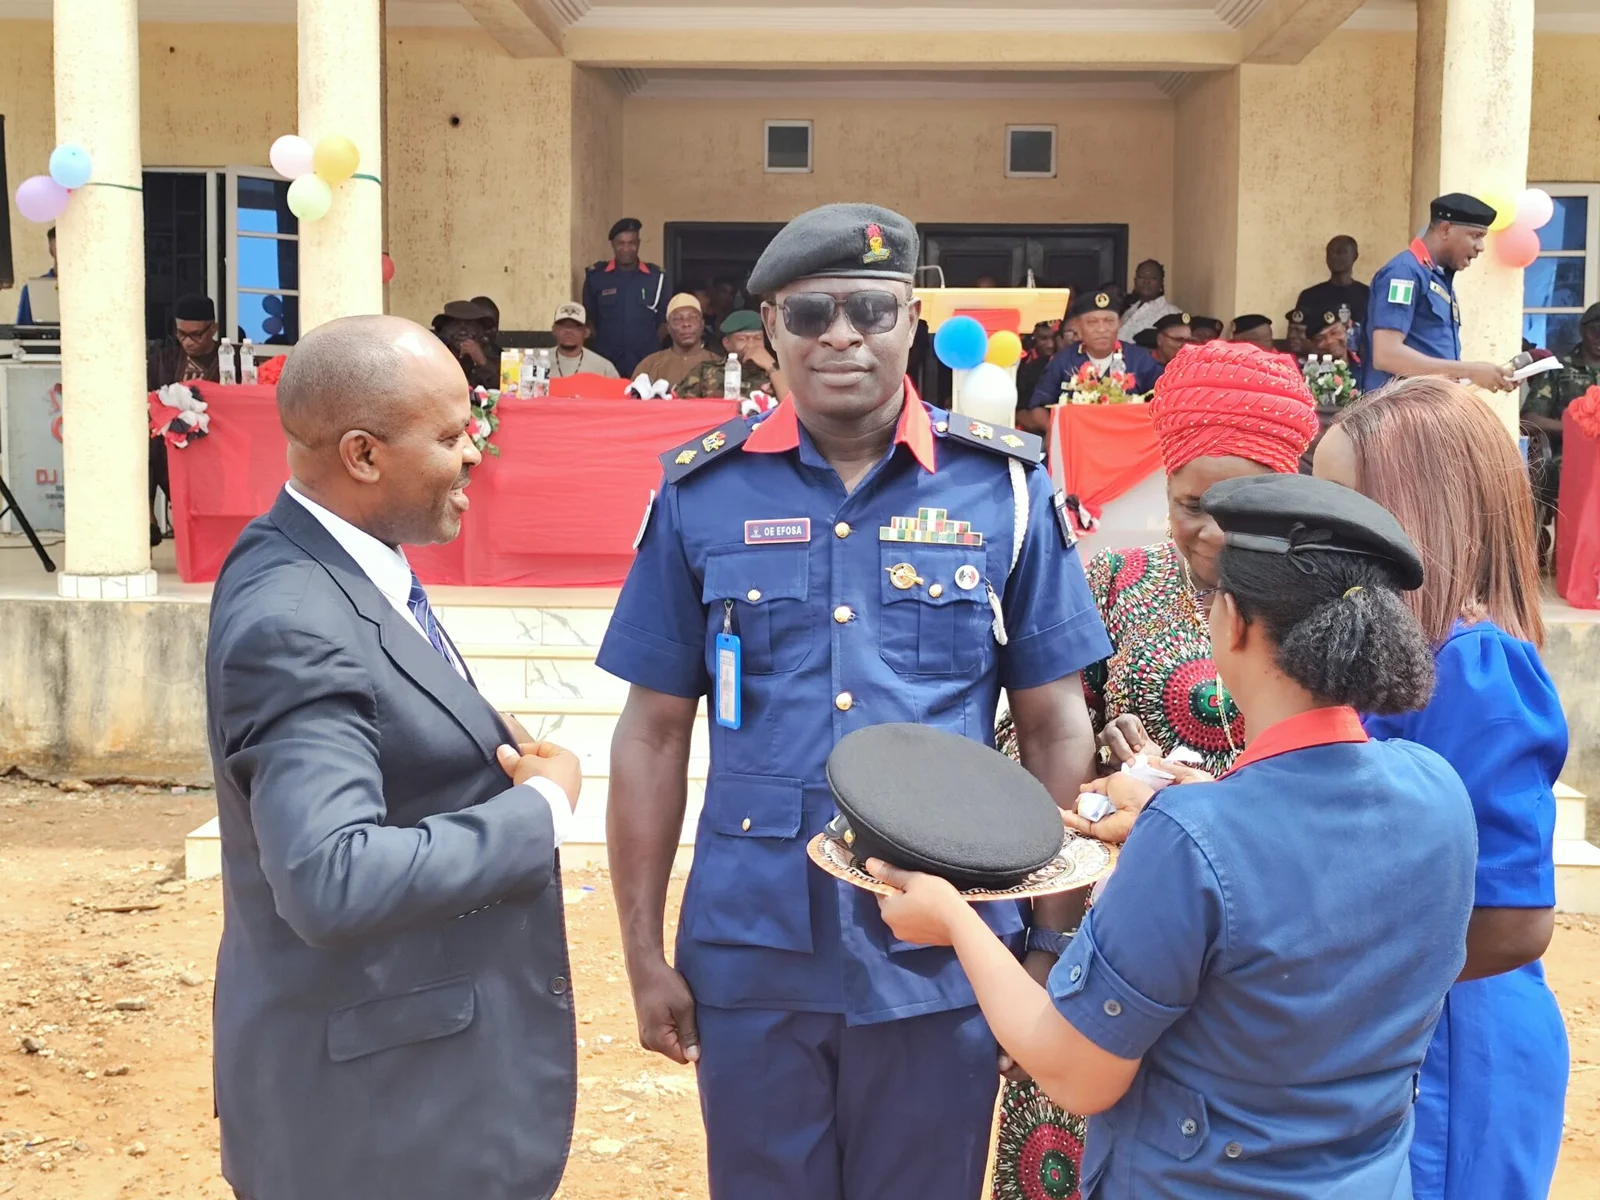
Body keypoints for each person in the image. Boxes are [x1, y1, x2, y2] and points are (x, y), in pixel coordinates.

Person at [596, 202, 1111, 1200]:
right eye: (812, 312)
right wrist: (639, 950)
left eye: (869, 311)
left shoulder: (1000, 491)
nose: (841, 334)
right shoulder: (699, 495)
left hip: (940, 948)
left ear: (911, 321)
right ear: (771, 333)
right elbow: (653, 733)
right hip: (750, 955)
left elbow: (1056, 725)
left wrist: (1048, 941)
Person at [873, 470, 1477, 1199]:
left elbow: (1074, 1073)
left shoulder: (1191, 838)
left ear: (1235, 622)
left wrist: (952, 918)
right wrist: (1193, 807)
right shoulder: (1436, 789)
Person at [205, 314, 582, 1200]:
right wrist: (542, 811)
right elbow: (330, 875)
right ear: (364, 456)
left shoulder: (337, 564)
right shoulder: (297, 615)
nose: (476, 453)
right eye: (451, 436)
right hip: (375, 1130)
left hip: (405, 1094)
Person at [989, 340, 1319, 1198]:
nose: (1210, 529)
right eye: (1188, 503)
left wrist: (1195, 794)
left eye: (1240, 504)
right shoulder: (1114, 583)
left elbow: (1350, 770)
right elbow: (1019, 742)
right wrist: (1099, 764)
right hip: (1106, 939)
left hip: (1260, 953)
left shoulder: (1329, 609)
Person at [1314, 378, 1569, 1200]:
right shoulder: (1393, 664)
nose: (1316, 537)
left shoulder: (1475, 670)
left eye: (1342, 508)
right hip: (1395, 1042)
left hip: (1452, 1061)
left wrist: (1343, 979)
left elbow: (1513, 924)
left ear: (1418, 512)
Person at [1363, 193, 1515, 394]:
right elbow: (1387, 355)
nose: (1481, 247)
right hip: (1401, 413)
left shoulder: (1438, 276)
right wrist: (1469, 370)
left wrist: (1487, 376)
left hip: (1428, 407)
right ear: (1445, 229)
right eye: (1475, 236)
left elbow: (1432, 352)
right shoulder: (1404, 272)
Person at [1019, 291, 1163, 434]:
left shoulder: (1139, 359)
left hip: (1127, 441)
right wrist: (1053, 429)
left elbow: (1163, 401)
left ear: (1119, 324)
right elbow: (1038, 407)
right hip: (1076, 442)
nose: (1101, 329)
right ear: (1079, 328)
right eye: (1092, 322)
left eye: (1109, 321)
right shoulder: (1063, 360)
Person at [147, 294, 224, 547]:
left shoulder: (229, 358)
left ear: (213, 329)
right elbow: (149, 397)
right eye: (181, 334)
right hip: (169, 439)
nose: (187, 342)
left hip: (212, 438)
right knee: (146, 446)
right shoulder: (164, 357)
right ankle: (146, 519)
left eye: (196, 335)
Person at [1524, 301, 1600, 515]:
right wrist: (1576, 429)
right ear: (1582, 329)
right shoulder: (1557, 369)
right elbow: (1530, 419)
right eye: (1596, 330)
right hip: (1568, 454)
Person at [582, 217, 669, 377]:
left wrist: (648, 346)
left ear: (639, 244)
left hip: (646, 361)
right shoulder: (597, 277)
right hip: (607, 361)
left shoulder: (657, 278)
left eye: (632, 243)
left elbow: (664, 322)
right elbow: (590, 320)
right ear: (613, 245)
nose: (626, 248)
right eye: (621, 243)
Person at [675, 310, 788, 399]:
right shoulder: (704, 371)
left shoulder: (780, 373)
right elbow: (681, 408)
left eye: (757, 338)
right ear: (727, 343)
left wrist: (771, 366)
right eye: (742, 339)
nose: (751, 345)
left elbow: (793, 409)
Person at [1295, 234, 1370, 345]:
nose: (1334, 256)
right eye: (1330, 252)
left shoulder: (1368, 295)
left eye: (1341, 252)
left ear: (1355, 256)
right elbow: (1298, 338)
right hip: (1320, 360)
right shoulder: (1310, 296)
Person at [633, 293, 719, 388]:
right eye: (678, 319)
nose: (686, 324)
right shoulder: (649, 365)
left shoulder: (718, 364)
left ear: (702, 324)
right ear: (668, 328)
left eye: (692, 318)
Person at [433, 299, 499, 390]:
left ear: (479, 331)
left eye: (470, 325)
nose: (463, 332)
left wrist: (482, 362)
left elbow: (502, 389)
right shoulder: (435, 357)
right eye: (455, 325)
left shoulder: (491, 357)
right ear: (445, 330)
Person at [549, 302, 620, 379]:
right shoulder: (537, 361)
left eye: (575, 327)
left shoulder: (604, 368)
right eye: (563, 326)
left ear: (586, 332)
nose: (568, 331)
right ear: (554, 330)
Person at [1118, 259, 1181, 341]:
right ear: (1135, 281)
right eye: (1141, 277)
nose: (1146, 281)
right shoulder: (1129, 310)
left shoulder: (1172, 313)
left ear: (1161, 283)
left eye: (1153, 278)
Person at [14, 226, 56, 324]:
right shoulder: (31, 291)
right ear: (51, 250)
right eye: (59, 247)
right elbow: (24, 333)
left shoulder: (89, 287)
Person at [1015, 319, 1059, 404]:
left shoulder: (1063, 359)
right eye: (1043, 338)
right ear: (1034, 335)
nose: (1051, 345)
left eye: (1054, 338)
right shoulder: (1023, 359)